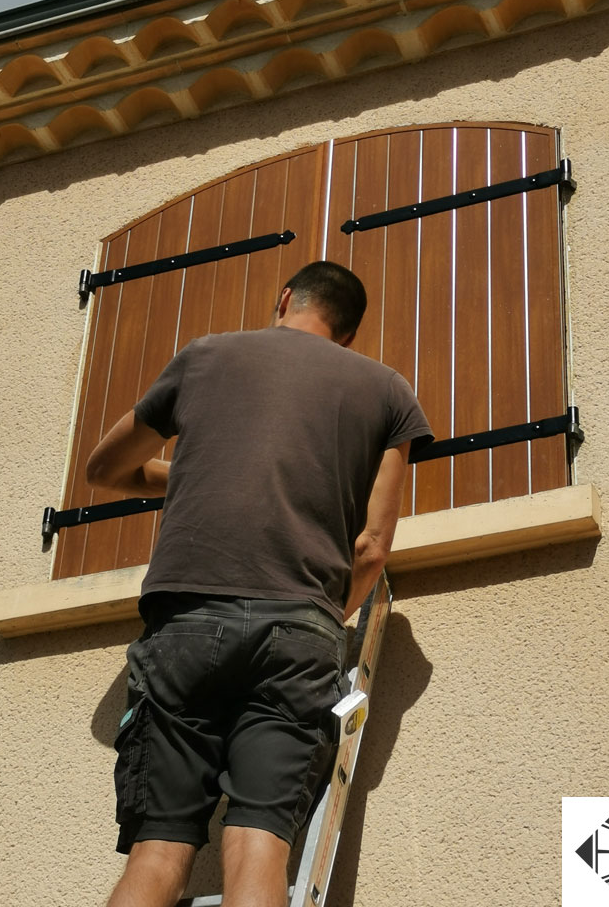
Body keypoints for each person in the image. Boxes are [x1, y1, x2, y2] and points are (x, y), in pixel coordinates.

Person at [86, 260, 433, 907]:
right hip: (299, 633)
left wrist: (185, 471)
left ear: (284, 299)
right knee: (258, 853)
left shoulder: (206, 357)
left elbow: (104, 469)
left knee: (157, 857)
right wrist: (322, 617)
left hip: (184, 627)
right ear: (349, 334)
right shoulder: (387, 391)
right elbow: (372, 545)